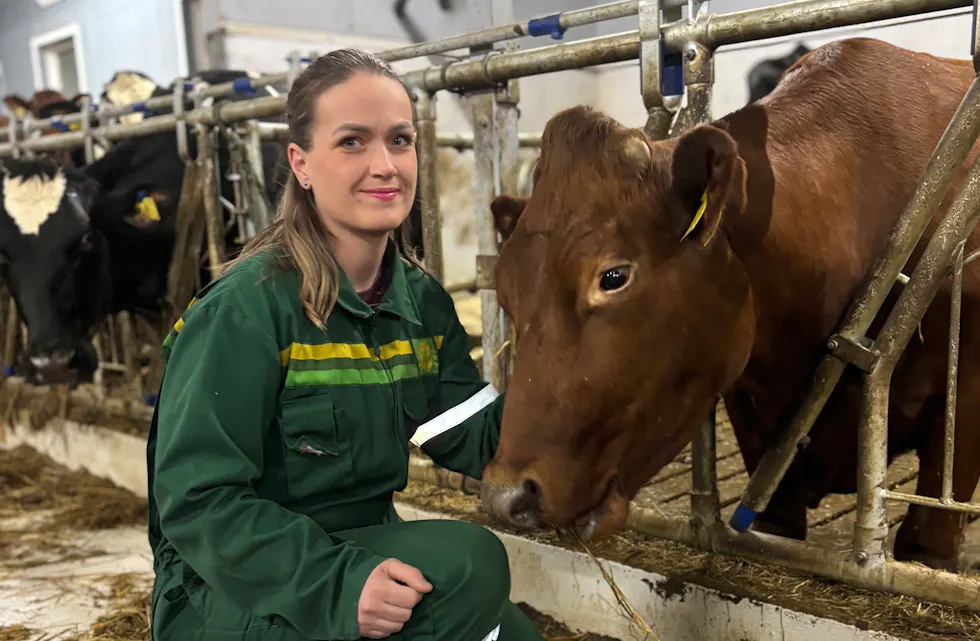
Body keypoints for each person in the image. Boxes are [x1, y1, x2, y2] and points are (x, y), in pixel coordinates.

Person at [144, 49, 545, 641]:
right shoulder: (245, 310)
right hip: (231, 586)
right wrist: (337, 585)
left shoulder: (419, 302)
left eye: (400, 140)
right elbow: (198, 502)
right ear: (301, 164)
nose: (386, 165)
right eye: (353, 142)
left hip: (359, 548)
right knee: (471, 563)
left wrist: (591, 380)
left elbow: (478, 436)